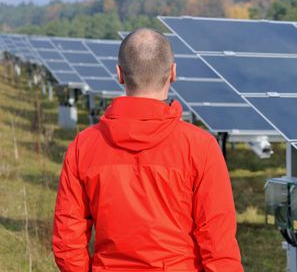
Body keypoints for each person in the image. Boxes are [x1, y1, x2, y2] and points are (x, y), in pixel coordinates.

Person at [52, 28, 243, 271]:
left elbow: (68, 241)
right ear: (173, 73)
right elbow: (219, 246)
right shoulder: (201, 147)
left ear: (119, 74)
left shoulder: (83, 146)